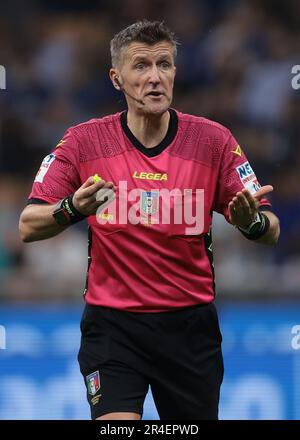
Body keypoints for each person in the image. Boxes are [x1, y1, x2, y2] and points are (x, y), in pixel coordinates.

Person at [19, 20, 280, 420]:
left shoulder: (214, 141)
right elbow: (28, 224)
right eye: (141, 66)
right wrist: (73, 207)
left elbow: (269, 229)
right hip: (113, 329)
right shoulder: (82, 142)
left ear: (175, 71)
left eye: (165, 64)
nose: (155, 77)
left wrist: (252, 223)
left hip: (190, 329)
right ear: (116, 78)